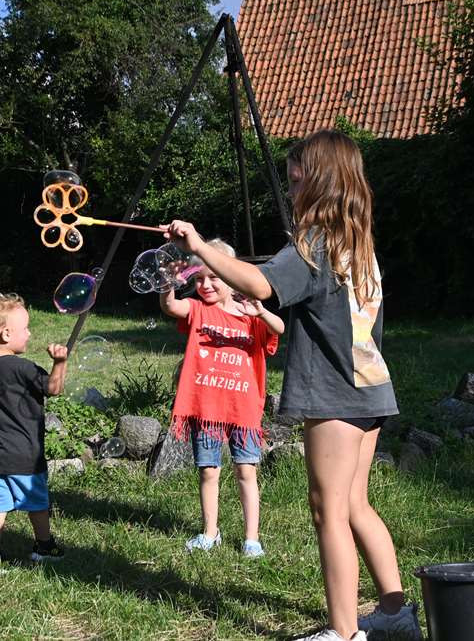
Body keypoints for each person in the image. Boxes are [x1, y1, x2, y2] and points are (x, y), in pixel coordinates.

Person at [165, 130, 422, 641]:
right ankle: (396, 615)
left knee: (327, 509)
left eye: (297, 174)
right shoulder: (357, 243)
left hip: (336, 395)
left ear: (320, 178)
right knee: (354, 504)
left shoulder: (315, 242)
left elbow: (261, 285)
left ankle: (344, 633)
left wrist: (196, 246)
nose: (291, 183)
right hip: (371, 389)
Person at [159, 238, 283, 557]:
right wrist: (168, 283)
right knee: (208, 471)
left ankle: (251, 538)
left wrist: (261, 311)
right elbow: (171, 306)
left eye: (214, 277)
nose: (205, 285)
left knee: (246, 471)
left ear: (231, 276)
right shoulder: (198, 310)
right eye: (199, 279)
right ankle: (209, 532)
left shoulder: (250, 314)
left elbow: (279, 328)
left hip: (243, 409)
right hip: (207, 408)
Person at [0, 292, 68, 573]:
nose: (29, 333)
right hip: (25, 455)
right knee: (37, 503)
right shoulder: (24, 368)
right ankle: (43, 545)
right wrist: (60, 363)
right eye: (25, 328)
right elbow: (53, 389)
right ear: (5, 335)